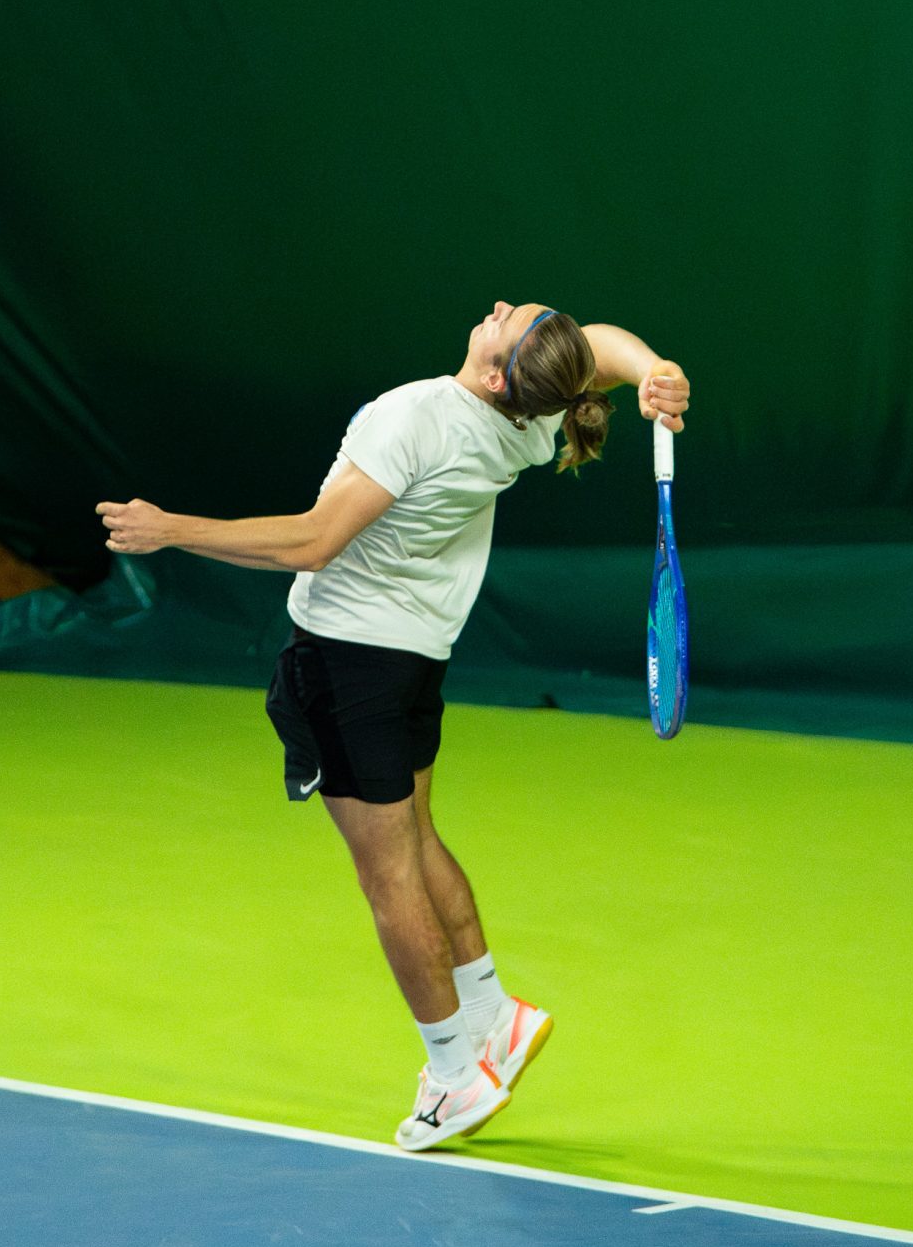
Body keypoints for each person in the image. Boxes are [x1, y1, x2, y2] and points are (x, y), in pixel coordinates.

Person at [96, 302, 691, 1151]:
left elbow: (311, 543)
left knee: (388, 879)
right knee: (415, 836)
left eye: (511, 319)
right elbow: (594, 348)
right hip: (416, 659)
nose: (499, 306)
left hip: (348, 665)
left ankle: (454, 1074)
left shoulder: (413, 417)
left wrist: (170, 531)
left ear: (498, 373)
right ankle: (491, 1013)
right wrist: (654, 369)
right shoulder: (532, 417)